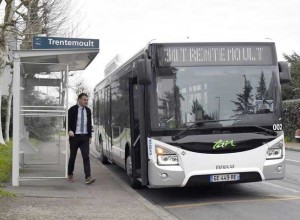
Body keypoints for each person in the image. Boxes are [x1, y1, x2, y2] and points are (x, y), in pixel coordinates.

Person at [67, 93, 95, 184]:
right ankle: (70, 174)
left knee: (86, 157)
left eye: (87, 100)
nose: (86, 101)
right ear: (79, 99)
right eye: (84, 100)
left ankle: (88, 177)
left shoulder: (88, 111)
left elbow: (89, 123)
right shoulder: (72, 109)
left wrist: (90, 135)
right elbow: (66, 121)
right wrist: (69, 130)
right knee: (73, 157)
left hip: (84, 137)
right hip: (74, 137)